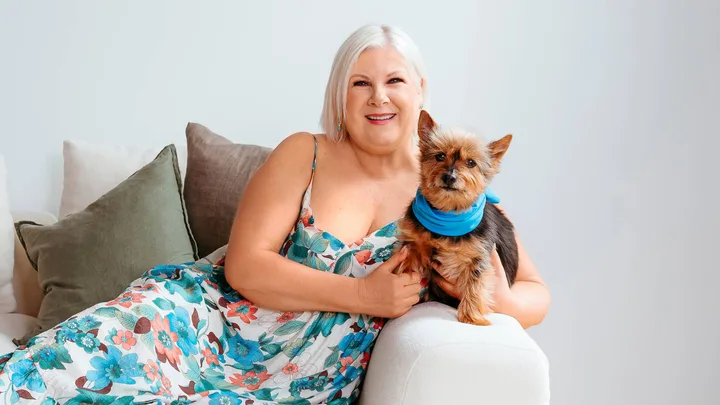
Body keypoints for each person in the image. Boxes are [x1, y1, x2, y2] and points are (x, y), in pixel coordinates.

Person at [0, 24, 550, 404]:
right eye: (360, 82)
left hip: (299, 375)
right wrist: (364, 296)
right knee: (61, 367)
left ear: (420, 90)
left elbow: (535, 293)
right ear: (340, 95)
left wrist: (493, 298)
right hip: (202, 322)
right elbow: (244, 267)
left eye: (394, 81)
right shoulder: (305, 153)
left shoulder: (449, 189)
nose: (378, 97)